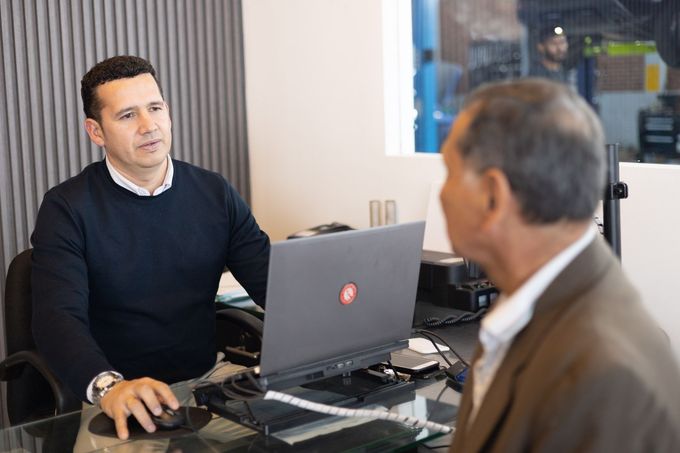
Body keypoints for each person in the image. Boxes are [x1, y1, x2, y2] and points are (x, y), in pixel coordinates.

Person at [30, 55, 270, 441]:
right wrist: (109, 387)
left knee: (303, 435)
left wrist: (336, 330)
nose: (148, 126)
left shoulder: (213, 192)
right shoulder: (67, 208)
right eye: (127, 116)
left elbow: (271, 280)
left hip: (206, 380)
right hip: (118, 394)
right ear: (96, 131)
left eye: (155, 108)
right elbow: (56, 319)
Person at [440, 79, 680, 452]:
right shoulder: (530, 305)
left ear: (493, 196)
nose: (442, 192)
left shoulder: (600, 377)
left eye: (450, 171)